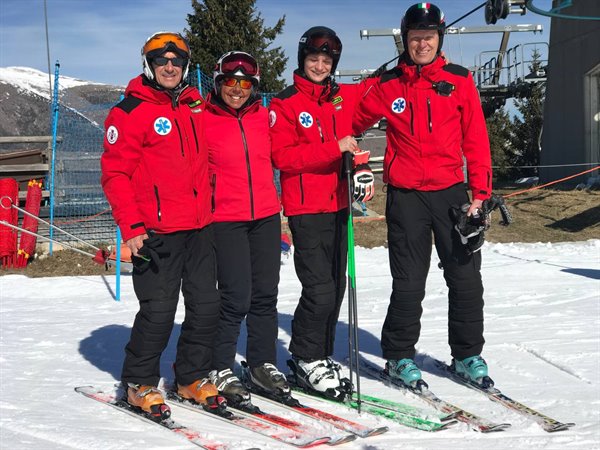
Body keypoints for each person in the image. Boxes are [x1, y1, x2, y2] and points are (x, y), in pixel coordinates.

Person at [353, 3, 494, 387]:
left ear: (439, 39)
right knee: (410, 281)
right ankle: (399, 357)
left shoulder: (460, 81)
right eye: (415, 37)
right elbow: (350, 120)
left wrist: (480, 195)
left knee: (466, 279)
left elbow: (477, 142)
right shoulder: (387, 84)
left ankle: (467, 355)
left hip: (452, 195)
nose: (422, 44)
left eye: (428, 37)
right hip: (406, 197)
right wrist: (352, 155)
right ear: (406, 39)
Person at [101, 31, 222, 418]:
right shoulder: (129, 111)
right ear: (149, 65)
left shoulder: (195, 106)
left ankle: (190, 377)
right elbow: (115, 174)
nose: (169, 67)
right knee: (158, 310)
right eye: (161, 61)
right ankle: (139, 383)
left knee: (206, 306)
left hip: (200, 227)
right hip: (156, 232)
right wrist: (131, 226)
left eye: (176, 62)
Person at [269, 26, 375, 400]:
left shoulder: (341, 98)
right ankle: (305, 356)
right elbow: (283, 157)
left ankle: (321, 354)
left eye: (326, 60)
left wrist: (359, 164)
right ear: (303, 60)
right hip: (306, 208)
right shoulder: (284, 103)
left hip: (340, 205)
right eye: (313, 59)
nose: (319, 65)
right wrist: (335, 147)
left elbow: (375, 96)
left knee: (338, 284)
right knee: (319, 288)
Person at [203, 51, 291, 406]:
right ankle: (219, 365)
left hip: (266, 216)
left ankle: (261, 363)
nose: (236, 89)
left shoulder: (263, 117)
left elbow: (289, 152)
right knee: (235, 296)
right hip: (226, 218)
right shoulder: (202, 117)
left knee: (265, 294)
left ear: (254, 87)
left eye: (245, 83)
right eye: (230, 82)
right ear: (218, 82)